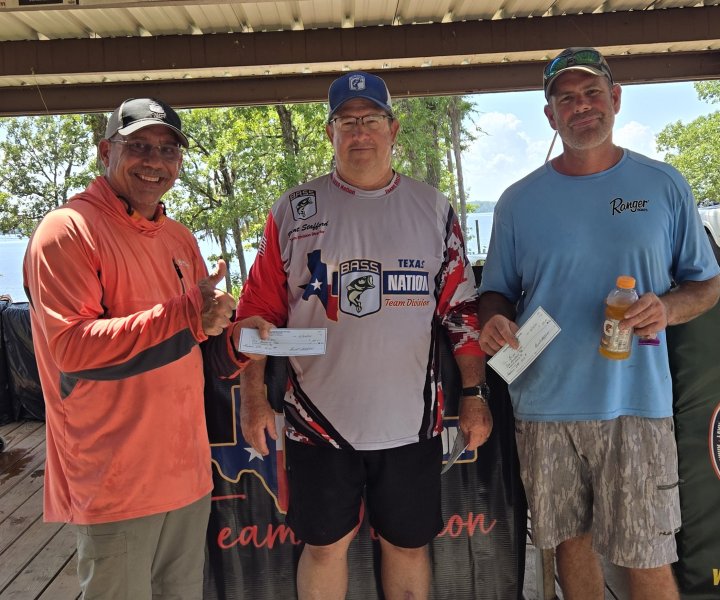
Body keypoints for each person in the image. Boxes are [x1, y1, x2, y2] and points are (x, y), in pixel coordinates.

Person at [236, 71, 492, 600]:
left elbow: (462, 314)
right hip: (316, 425)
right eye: (346, 121)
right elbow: (257, 312)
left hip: (411, 425)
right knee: (324, 547)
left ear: (393, 129)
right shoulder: (293, 209)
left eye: (371, 119)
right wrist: (254, 396)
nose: (359, 132)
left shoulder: (432, 207)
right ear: (329, 132)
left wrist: (474, 394)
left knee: (408, 546)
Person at [477, 47, 720, 600]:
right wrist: (494, 322)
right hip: (543, 406)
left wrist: (667, 308)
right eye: (566, 98)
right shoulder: (517, 201)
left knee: (647, 553)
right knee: (571, 546)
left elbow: (707, 284)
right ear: (550, 115)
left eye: (592, 93)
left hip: (636, 403)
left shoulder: (664, 185)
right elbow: (495, 291)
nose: (581, 106)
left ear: (615, 98)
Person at [23, 97, 266, 599]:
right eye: (139, 146)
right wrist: (187, 315)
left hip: (187, 475)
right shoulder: (66, 230)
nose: (155, 161)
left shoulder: (179, 238)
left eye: (168, 150)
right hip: (115, 482)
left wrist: (238, 338)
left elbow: (193, 345)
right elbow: (71, 349)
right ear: (104, 151)